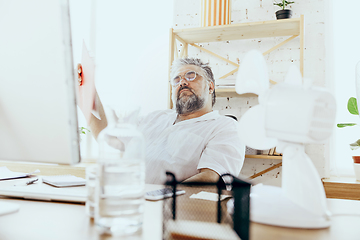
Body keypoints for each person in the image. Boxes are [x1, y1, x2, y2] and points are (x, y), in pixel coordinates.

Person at [87, 57, 245, 184]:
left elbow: (211, 178)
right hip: (123, 199)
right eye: (176, 80)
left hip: (170, 213)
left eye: (191, 75)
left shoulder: (225, 127)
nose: (182, 82)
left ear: (210, 87)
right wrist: (87, 90)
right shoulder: (154, 118)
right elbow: (107, 133)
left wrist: (159, 197)